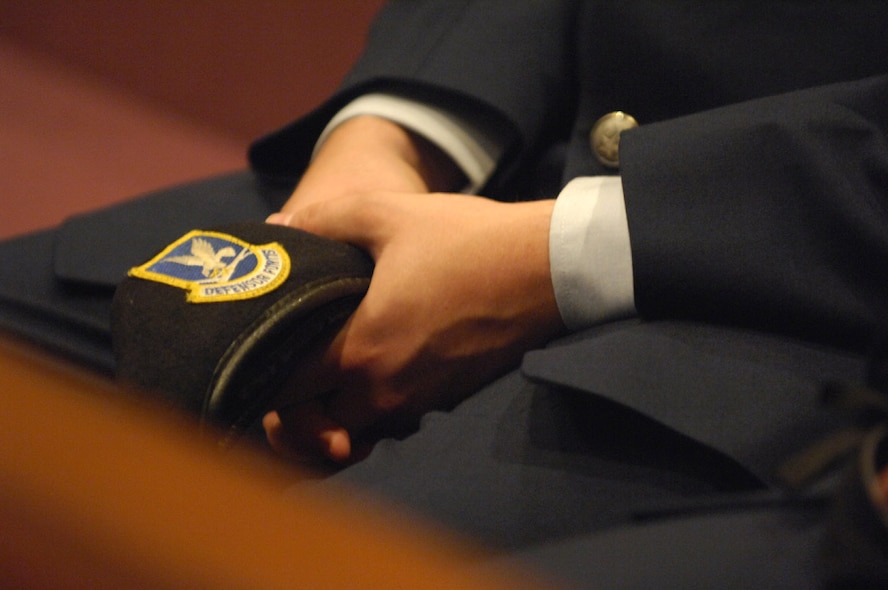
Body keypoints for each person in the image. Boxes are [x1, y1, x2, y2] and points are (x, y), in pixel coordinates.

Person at [2, 1, 888, 587]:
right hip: (499, 150)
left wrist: (563, 252)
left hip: (790, 289)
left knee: (268, 563)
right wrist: (387, 142)